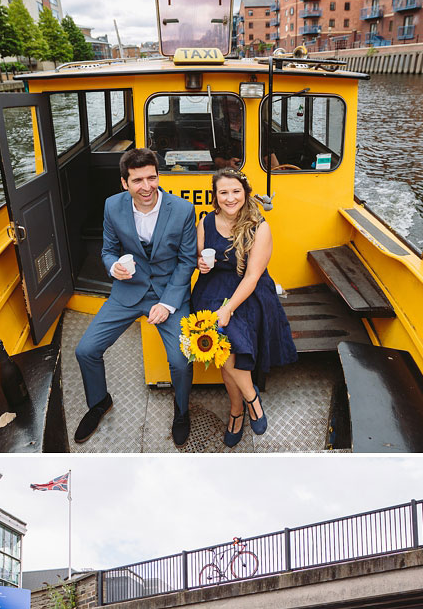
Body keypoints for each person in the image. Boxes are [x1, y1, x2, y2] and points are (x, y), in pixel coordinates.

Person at [74, 147, 198, 446]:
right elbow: (108, 250)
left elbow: (187, 261)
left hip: (169, 294)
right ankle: (100, 402)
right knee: (85, 350)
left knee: (180, 362)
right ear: (124, 183)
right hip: (128, 291)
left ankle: (181, 411)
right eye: (138, 180)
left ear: (158, 175)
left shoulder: (182, 210)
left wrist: (168, 304)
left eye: (152, 178)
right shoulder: (112, 207)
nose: (147, 187)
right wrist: (112, 266)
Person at [192, 169, 298, 446]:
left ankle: (237, 411)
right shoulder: (205, 223)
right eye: (223, 192)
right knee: (220, 336)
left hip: (249, 291)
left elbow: (252, 276)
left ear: (245, 193)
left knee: (227, 336)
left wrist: (228, 309)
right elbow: (200, 259)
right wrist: (202, 265)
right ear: (215, 196)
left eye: (236, 191)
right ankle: (250, 399)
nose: (230, 198)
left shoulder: (260, 227)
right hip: (213, 288)